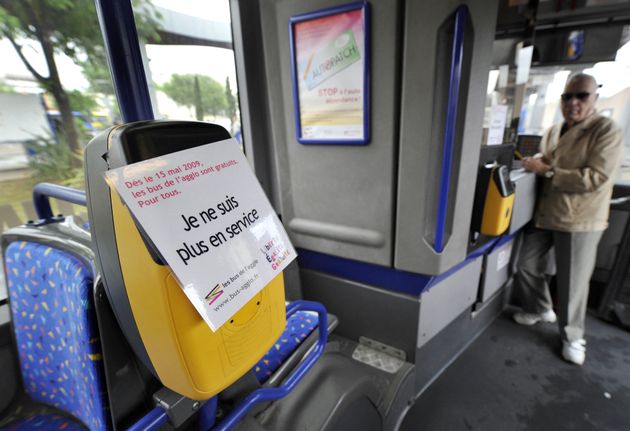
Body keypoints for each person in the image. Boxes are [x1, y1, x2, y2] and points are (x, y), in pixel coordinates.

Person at [512, 73, 623, 365]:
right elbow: (548, 157)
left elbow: (596, 178)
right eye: (567, 96)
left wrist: (547, 171)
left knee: (573, 282)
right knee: (526, 264)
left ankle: (573, 337)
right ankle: (540, 308)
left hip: (580, 218)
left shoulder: (606, 131)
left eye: (581, 96)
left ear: (594, 98)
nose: (573, 102)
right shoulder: (554, 130)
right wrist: (535, 161)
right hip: (546, 211)